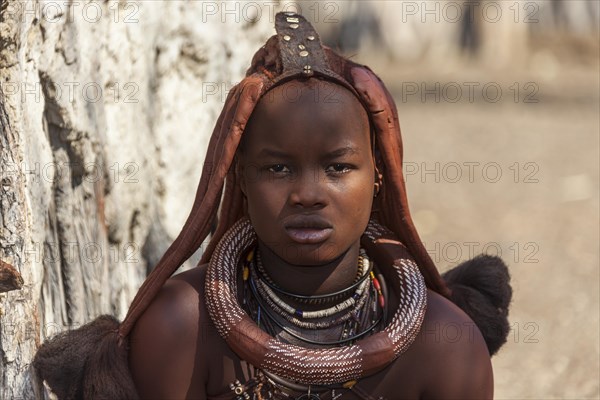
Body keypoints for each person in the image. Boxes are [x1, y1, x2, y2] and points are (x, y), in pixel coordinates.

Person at [34, 13, 511, 400]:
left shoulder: (445, 345)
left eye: (338, 168)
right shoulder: (182, 327)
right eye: (278, 169)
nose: (308, 193)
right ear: (240, 176)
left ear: (379, 175)